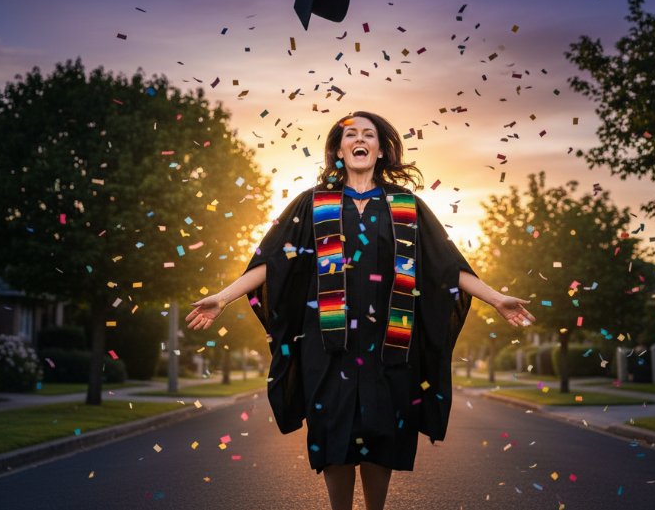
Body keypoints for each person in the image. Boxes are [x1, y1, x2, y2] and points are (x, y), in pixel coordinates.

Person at [186, 111, 533, 510]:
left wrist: (496, 298)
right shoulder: (314, 203)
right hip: (329, 341)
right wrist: (223, 297)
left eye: (368, 134)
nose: (359, 139)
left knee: (381, 431)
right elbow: (273, 263)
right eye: (350, 134)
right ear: (338, 149)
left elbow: (446, 266)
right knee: (334, 429)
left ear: (381, 150)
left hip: (390, 341)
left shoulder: (406, 206)